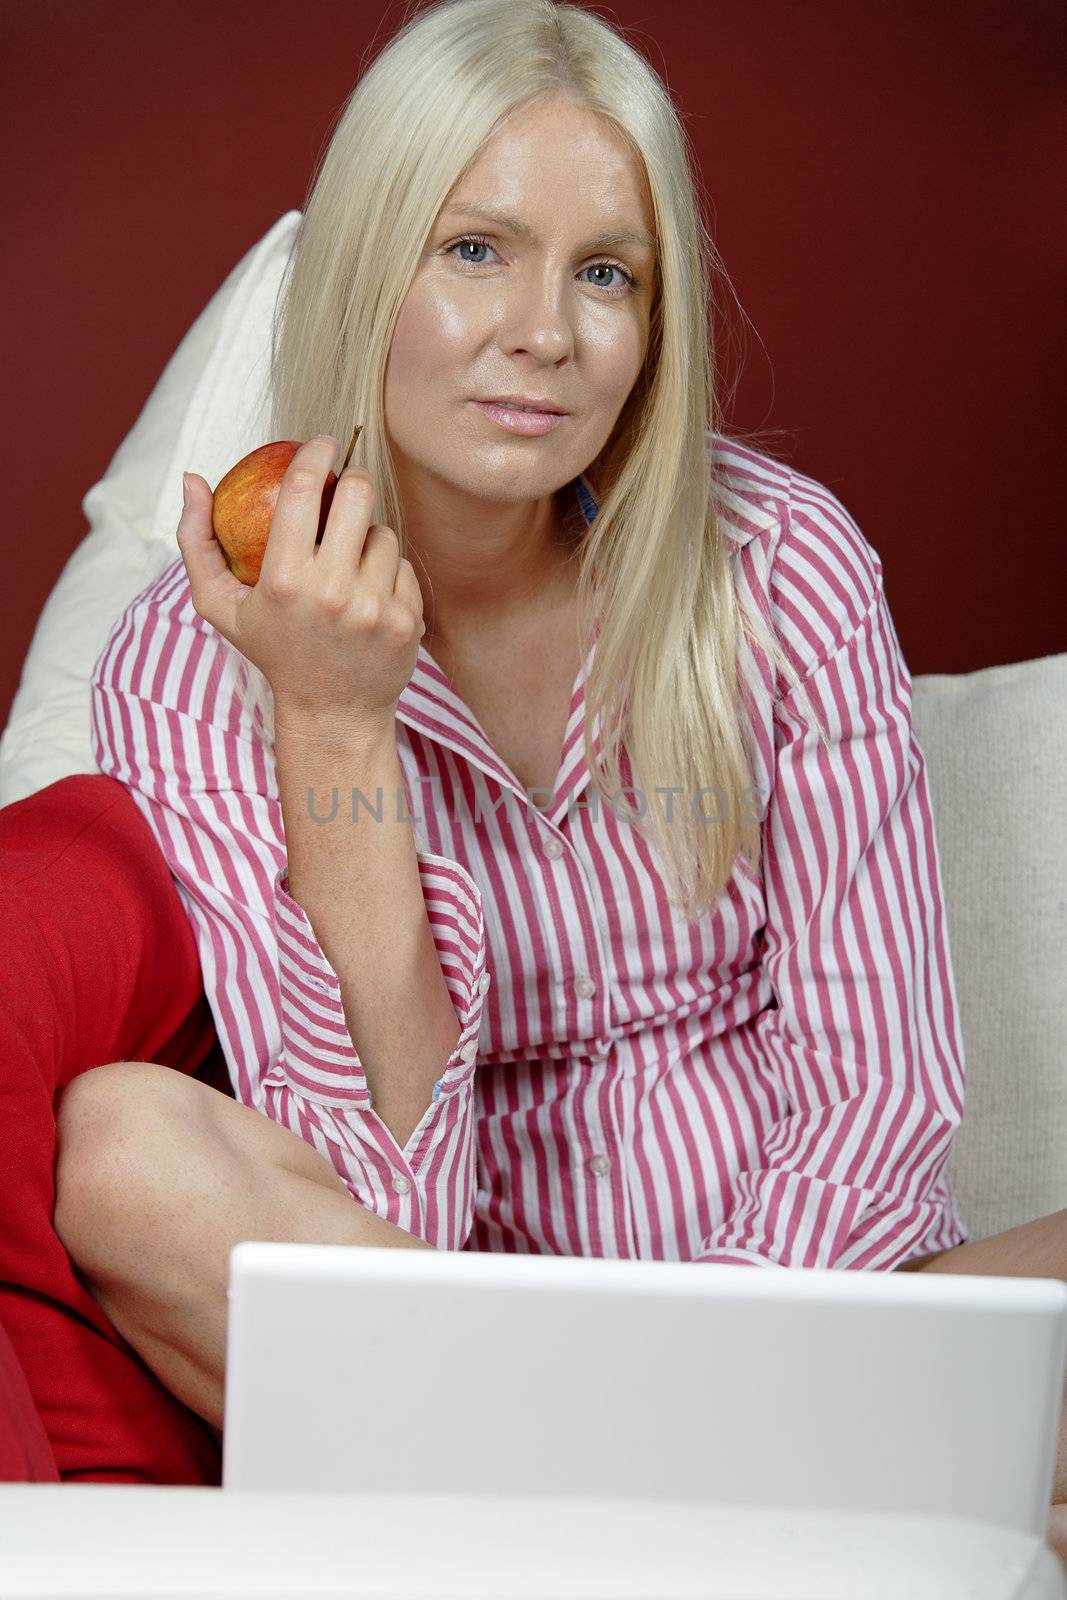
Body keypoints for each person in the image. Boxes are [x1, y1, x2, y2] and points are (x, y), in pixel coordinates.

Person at [9, 0, 1063, 1557]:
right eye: (477, 250)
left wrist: (711, 1362)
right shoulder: (192, 665)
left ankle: (604, 1502)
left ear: (655, 323)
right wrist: (336, 725)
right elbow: (388, 1219)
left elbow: (879, 1095)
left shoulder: (785, 570)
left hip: (816, 1318)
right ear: (373, 267)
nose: (548, 335)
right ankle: (761, 1504)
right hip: (443, 1333)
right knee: (116, 1143)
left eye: (607, 274)